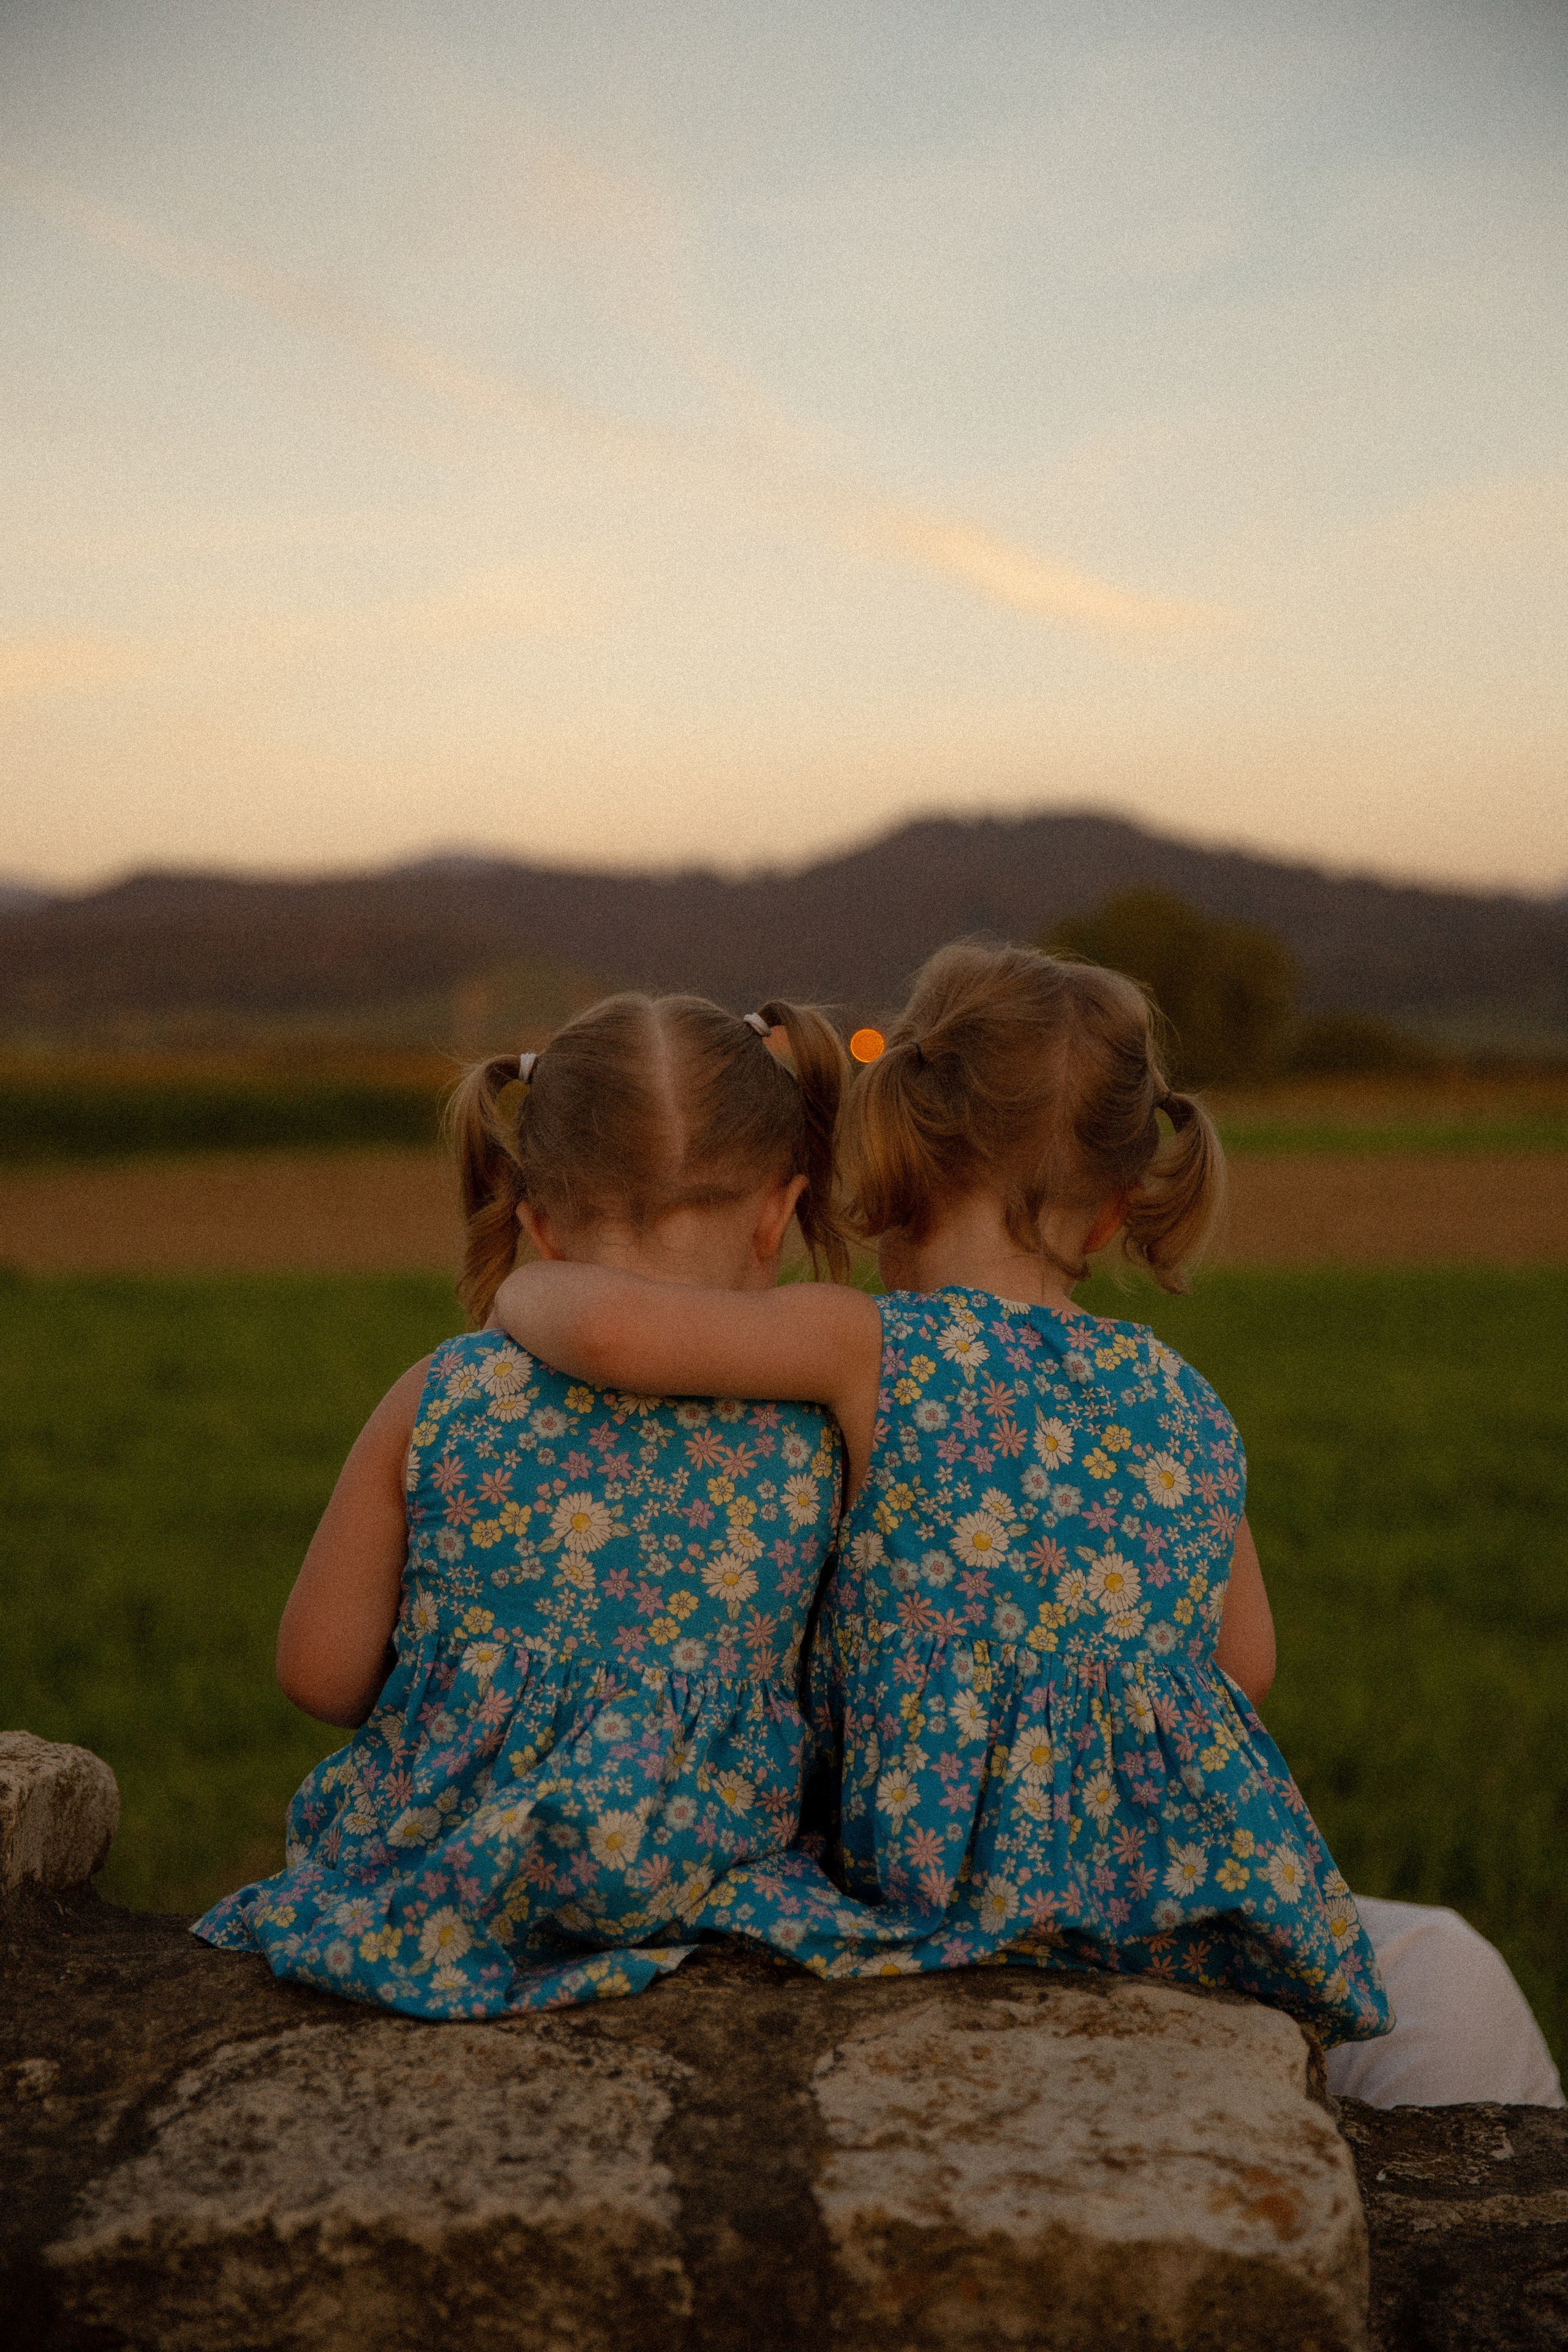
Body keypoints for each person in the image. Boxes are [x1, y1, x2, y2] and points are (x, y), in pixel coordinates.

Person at [491, 941, 1562, 2101]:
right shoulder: (1182, 1396)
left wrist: (517, 1284)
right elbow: (1243, 1667)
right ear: (1113, 1213)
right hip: (1171, 1899)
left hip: (939, 1900)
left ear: (893, 1153)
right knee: (1449, 1971)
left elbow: (610, 1332)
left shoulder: (866, 1347)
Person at [193, 992, 853, 2018]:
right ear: (779, 1211)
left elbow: (317, 1672)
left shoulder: (440, 1392)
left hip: (428, 1876)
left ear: (538, 1225)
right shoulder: (815, 1428)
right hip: (695, 1878)